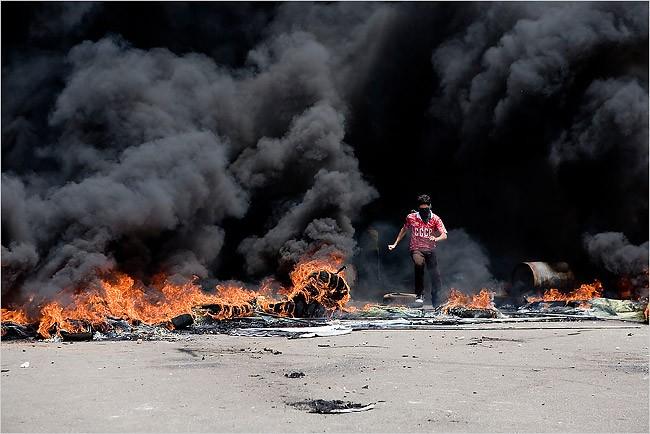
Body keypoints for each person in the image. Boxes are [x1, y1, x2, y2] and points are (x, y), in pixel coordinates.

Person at [388, 194, 447, 305]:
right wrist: (395, 244)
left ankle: (436, 297)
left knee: (435, 276)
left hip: (430, 250)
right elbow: (404, 230)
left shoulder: (435, 219)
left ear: (430, 206)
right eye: (421, 209)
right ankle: (419, 294)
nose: (424, 211)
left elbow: (444, 235)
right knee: (419, 264)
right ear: (418, 208)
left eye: (426, 209)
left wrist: (436, 238)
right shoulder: (411, 217)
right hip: (416, 248)